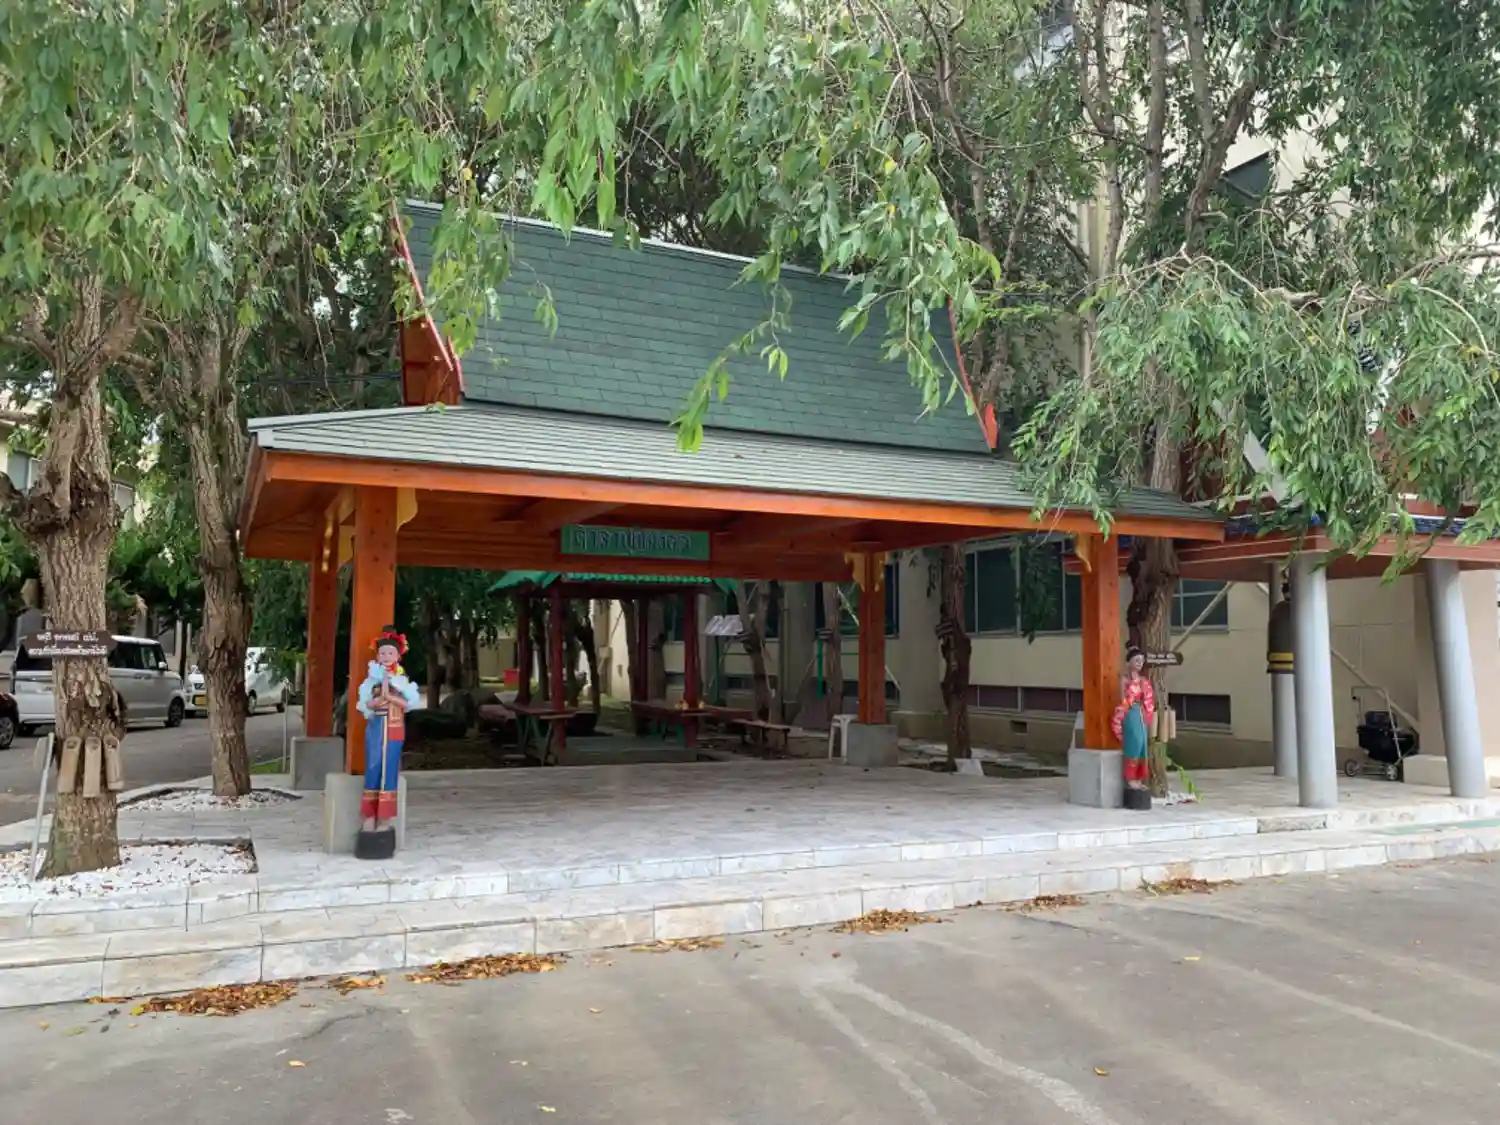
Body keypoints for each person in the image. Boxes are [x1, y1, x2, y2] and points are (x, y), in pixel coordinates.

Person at [356, 627, 420, 834]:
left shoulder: (402, 681)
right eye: (382, 653)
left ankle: (384, 818)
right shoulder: (371, 680)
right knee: (373, 766)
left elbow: (408, 704)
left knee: (390, 769)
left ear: (398, 656)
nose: (386, 657)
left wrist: (389, 695)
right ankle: (369, 816)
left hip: (394, 727)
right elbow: (366, 704)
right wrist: (377, 698)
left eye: (390, 653)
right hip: (376, 726)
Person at [1112, 645, 1156, 792]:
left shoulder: (1143, 680)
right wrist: (1128, 705)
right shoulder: (1124, 679)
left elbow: (1147, 700)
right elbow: (1122, 699)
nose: (1139, 663)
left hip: (1141, 713)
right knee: (1134, 743)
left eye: (1141, 661)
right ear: (1128, 662)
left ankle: (1138, 778)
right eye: (1136, 660)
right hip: (1129, 712)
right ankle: (1130, 778)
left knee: (1142, 744)